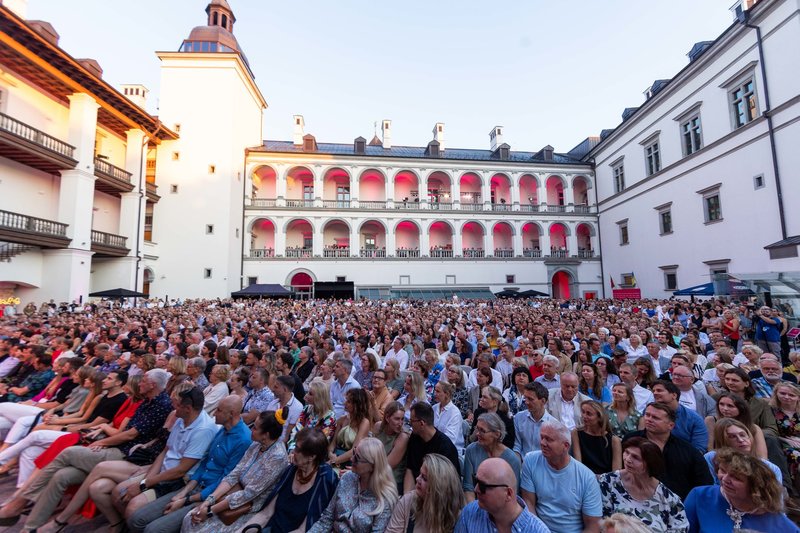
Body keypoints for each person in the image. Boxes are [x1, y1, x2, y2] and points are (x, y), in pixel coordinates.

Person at [1, 369, 173, 531]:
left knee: (67, 452)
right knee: (62, 475)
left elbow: (128, 435)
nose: (139, 382)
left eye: (143, 380)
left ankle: (21, 502)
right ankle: (30, 527)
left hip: (126, 454)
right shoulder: (148, 401)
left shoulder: (161, 404)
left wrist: (103, 441)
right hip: (117, 447)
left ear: (152, 385)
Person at [42, 386, 219, 532]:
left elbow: (180, 470)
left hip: (176, 481)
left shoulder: (203, 429)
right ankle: (117, 524)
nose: (172, 407)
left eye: (176, 404)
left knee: (130, 503)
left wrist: (144, 483)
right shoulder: (182, 418)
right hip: (158, 471)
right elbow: (166, 451)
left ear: (187, 408)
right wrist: (147, 477)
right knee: (104, 489)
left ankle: (65, 521)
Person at [126, 396, 252, 533]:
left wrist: (186, 499)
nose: (214, 413)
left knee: (153, 529)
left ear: (232, 414)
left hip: (209, 496)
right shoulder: (223, 429)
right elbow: (205, 463)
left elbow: (226, 480)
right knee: (137, 519)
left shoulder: (243, 440)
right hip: (193, 486)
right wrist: (184, 493)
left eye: (219, 410)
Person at [182, 408, 290, 533]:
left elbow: (249, 494)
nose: (250, 430)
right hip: (230, 495)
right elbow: (234, 474)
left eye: (255, 428)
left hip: (247, 507)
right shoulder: (257, 444)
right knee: (190, 518)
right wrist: (208, 502)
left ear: (266, 435)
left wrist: (210, 511)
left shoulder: (278, 457)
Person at [242, 428, 338, 533]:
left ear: (311, 456)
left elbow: (303, 529)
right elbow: (266, 514)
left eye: (297, 449)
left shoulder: (325, 480)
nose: (293, 452)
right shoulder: (291, 470)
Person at [684, 448, 799, 532]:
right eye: (723, 470)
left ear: (756, 486)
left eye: (736, 477)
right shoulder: (700, 496)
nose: (725, 479)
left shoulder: (784, 528)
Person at [520, 419, 603, 532]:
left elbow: (593, 525)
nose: (542, 443)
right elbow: (528, 503)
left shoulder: (587, 478)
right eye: (542, 437)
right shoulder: (531, 460)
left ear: (566, 446)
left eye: (549, 439)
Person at [623, 403, 713, 500]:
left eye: (655, 418)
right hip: (633, 498)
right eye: (647, 415)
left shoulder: (687, 451)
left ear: (671, 425)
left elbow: (703, 484)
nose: (649, 419)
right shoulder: (631, 440)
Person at [308, 437, 398, 533]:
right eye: (354, 452)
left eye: (357, 458)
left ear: (372, 466)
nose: (351, 459)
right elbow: (327, 518)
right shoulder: (347, 478)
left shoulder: (384, 499)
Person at [598, 436, 688, 532]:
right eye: (627, 452)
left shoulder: (669, 499)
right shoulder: (608, 482)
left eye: (635, 457)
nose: (628, 459)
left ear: (650, 464)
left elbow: (681, 528)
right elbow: (601, 522)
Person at [455, 457, 549, 533]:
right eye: (475, 481)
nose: (476, 489)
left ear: (508, 493)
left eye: (483, 486)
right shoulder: (469, 513)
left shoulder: (537, 530)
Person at [386, 453, 464, 533]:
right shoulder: (408, 501)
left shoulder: (459, 519)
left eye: (424, 478)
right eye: (420, 474)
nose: (417, 479)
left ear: (439, 488)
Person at [704, 418, 783, 485]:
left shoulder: (771, 468)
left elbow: (776, 499)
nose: (741, 440)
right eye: (732, 437)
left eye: (742, 435)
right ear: (723, 440)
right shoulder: (712, 458)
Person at [463, 412, 521, 502]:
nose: (477, 434)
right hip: (476, 504)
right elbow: (468, 488)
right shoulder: (471, 450)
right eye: (477, 429)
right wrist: (474, 511)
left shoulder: (511, 459)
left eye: (482, 430)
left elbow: (513, 494)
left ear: (497, 434)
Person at [403, 402, 460, 493]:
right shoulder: (415, 437)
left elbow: (445, 485)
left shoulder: (445, 447)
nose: (410, 424)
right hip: (418, 491)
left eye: (412, 421)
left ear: (422, 423)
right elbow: (410, 469)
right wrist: (407, 498)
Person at [651, 380, 708, 452]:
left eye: (659, 390)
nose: (655, 393)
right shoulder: (649, 413)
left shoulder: (694, 418)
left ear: (674, 395)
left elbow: (699, 448)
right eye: (653, 391)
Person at [705, 392, 768, 457]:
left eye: (730, 406)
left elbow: (762, 456)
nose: (725, 409)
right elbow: (709, 448)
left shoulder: (754, 427)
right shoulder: (711, 421)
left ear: (741, 408)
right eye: (721, 404)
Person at [572, 400, 622, 475]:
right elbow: (578, 463)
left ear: (599, 417)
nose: (584, 416)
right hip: (585, 477)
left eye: (589, 414)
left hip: (606, 479)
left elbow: (616, 472)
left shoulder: (614, 440)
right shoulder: (576, 433)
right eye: (583, 412)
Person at [329, 388, 372, 469]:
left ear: (357, 405)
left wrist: (334, 461)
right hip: (334, 457)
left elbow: (354, 450)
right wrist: (330, 453)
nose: (345, 403)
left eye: (349, 402)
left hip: (350, 462)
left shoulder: (364, 422)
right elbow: (333, 443)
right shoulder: (342, 419)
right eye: (346, 400)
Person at [288, 380, 336, 452]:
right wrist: (293, 449)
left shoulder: (329, 417)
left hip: (312, 454)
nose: (306, 395)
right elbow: (296, 430)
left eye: (310, 394)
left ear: (319, 397)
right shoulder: (307, 409)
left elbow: (321, 442)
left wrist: (299, 452)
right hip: (297, 450)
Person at [769, 381, 800, 489]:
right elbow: (770, 430)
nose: (787, 397)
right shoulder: (771, 410)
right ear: (776, 393)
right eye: (782, 393)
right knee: (796, 455)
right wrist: (785, 440)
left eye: (792, 395)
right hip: (781, 443)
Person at [373, 401, 409, 492]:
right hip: (373, 472)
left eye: (402, 419)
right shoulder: (378, 427)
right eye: (397, 419)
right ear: (388, 418)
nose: (400, 423)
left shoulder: (403, 437)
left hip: (390, 481)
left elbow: (387, 466)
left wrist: (363, 469)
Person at [513, 381, 555, 457]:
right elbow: (517, 447)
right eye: (525, 398)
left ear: (543, 401)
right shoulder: (518, 418)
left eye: (530, 399)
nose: (526, 402)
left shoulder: (553, 424)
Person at [267, 374, 303, 444]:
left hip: (279, 444)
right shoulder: (273, 402)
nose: (273, 389)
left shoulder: (297, 407)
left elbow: (287, 437)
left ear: (285, 389)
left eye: (276, 387)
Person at [432, 381, 464, 455]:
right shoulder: (434, 408)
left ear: (447, 394)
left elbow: (450, 439)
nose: (434, 394)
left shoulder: (455, 413)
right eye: (434, 390)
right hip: (435, 448)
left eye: (438, 391)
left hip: (451, 450)